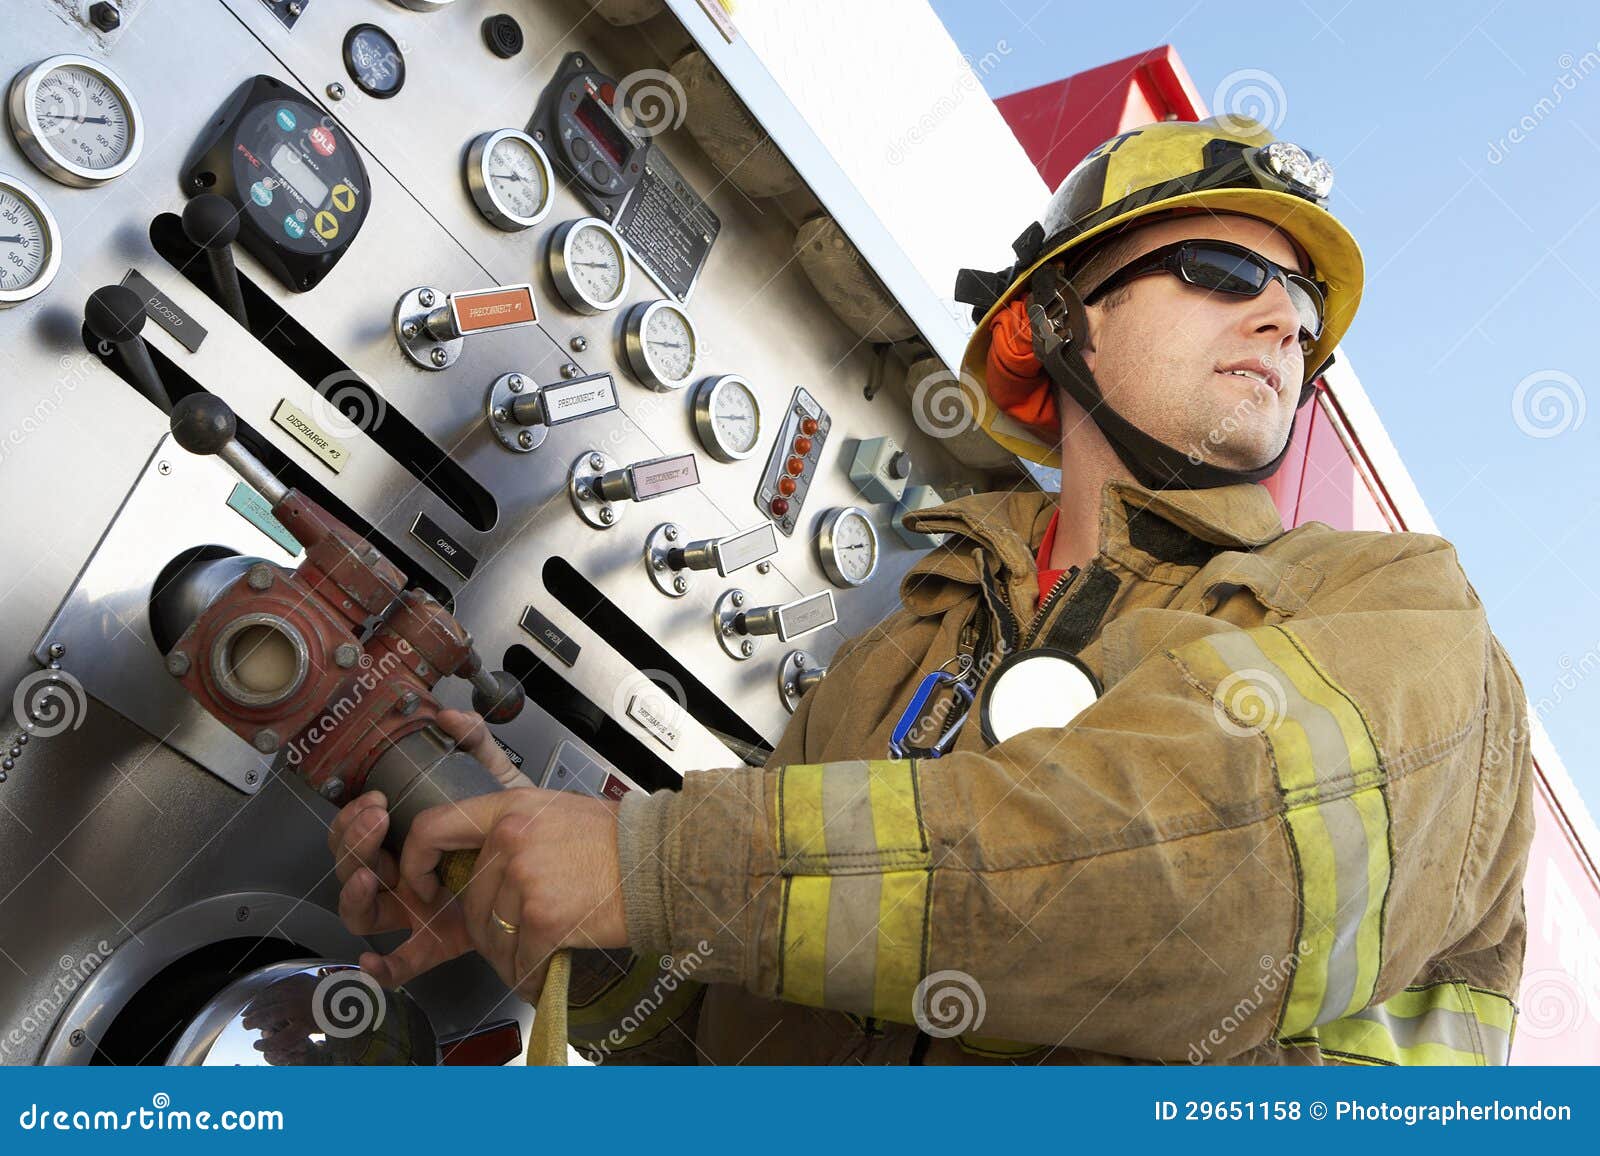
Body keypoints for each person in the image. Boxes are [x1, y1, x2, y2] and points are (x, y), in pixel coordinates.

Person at [328, 116, 1535, 1065]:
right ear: (1061, 320)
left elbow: (1193, 889)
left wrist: (646, 863)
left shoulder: (1396, 612)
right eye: (1223, 270)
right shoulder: (898, 650)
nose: (1284, 319)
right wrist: (540, 903)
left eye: (1306, 308)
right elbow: (719, 1040)